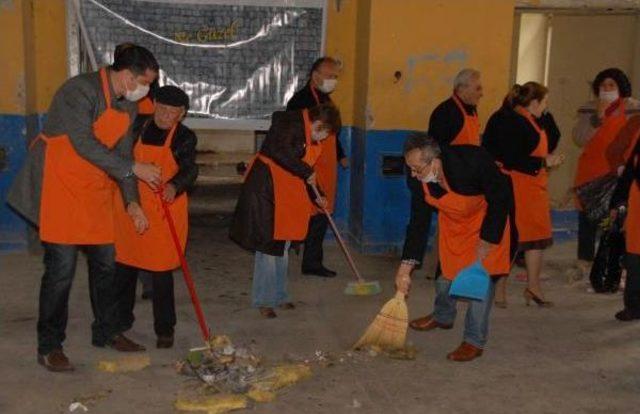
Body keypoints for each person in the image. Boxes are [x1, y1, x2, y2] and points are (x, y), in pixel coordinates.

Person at [7, 45, 161, 372]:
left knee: (106, 265)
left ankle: (107, 331)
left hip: (94, 192)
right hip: (60, 190)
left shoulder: (128, 108)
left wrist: (131, 200)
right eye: (146, 82)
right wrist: (134, 168)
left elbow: (121, 156)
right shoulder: (78, 91)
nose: (147, 89)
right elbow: (85, 144)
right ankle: (49, 346)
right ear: (129, 76)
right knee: (61, 271)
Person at [396, 133, 515, 362]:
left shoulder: (473, 161)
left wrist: (487, 239)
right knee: (445, 279)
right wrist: (405, 267)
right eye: (410, 167)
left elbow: (501, 196)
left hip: (487, 224)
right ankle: (443, 316)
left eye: (417, 168)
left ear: (435, 160)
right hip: (455, 228)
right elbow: (418, 221)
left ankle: (474, 341)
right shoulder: (416, 177)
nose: (413, 174)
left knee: (480, 284)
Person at [229, 104, 341, 318]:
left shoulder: (310, 136)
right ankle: (264, 300)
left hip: (289, 194)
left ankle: (280, 296)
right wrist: (306, 172)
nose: (324, 138)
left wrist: (320, 196)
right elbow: (281, 153)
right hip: (266, 191)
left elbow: (306, 171)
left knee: (284, 246)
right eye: (325, 133)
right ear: (318, 124)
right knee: (268, 247)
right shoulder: (288, 125)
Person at [113, 86, 198, 348]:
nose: (164, 115)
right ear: (154, 105)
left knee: (161, 272)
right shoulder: (137, 125)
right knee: (124, 267)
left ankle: (164, 328)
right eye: (161, 108)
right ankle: (119, 321)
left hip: (163, 210)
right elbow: (121, 159)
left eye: (172, 112)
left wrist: (174, 185)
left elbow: (190, 169)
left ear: (181, 114)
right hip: (131, 205)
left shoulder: (184, 137)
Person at [483, 82, 564, 307]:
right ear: (534, 102)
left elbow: (554, 137)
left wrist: (546, 115)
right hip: (512, 186)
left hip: (534, 188)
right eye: (544, 102)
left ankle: (533, 287)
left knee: (536, 240)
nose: (546, 107)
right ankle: (499, 290)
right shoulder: (506, 120)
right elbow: (510, 157)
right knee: (510, 238)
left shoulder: (534, 119)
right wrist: (542, 161)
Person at [402, 68, 485, 276]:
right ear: (462, 88)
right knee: (421, 220)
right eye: (477, 88)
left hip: (462, 179)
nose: (481, 92)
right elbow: (435, 151)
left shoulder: (471, 110)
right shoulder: (446, 113)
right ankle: (411, 264)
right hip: (438, 178)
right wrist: (437, 181)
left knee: (449, 226)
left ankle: (439, 268)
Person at [573, 68, 640, 279]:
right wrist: (597, 119)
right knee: (587, 218)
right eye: (603, 85)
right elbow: (579, 138)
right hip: (590, 172)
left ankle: (613, 262)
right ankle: (585, 261)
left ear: (621, 87)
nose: (607, 89)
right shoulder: (588, 110)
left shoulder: (633, 109)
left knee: (615, 219)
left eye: (612, 85)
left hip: (618, 172)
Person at [286, 57, 348, 278]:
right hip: (307, 165)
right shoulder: (299, 101)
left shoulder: (327, 99)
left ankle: (312, 260)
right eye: (330, 76)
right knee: (307, 211)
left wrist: (340, 155)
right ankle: (300, 254)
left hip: (327, 166)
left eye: (335, 77)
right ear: (315, 75)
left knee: (321, 214)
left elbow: (333, 132)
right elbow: (291, 138)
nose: (333, 81)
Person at [610, 138, 640, 321]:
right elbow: (630, 171)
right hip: (637, 206)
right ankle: (634, 305)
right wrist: (617, 201)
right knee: (634, 257)